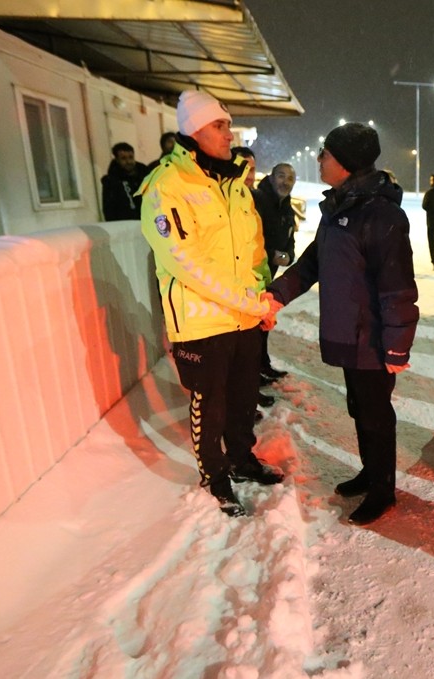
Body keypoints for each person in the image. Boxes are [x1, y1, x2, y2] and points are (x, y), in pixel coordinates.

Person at [136, 91, 284, 517]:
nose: (229, 133)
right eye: (220, 126)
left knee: (242, 398)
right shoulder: (167, 186)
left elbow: (254, 248)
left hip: (243, 316)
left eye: (228, 124)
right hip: (202, 322)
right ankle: (215, 476)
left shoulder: (234, 180)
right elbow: (187, 264)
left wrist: (262, 296)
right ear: (194, 130)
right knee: (210, 402)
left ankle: (241, 458)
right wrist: (248, 302)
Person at [264, 123, 419, 525]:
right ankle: (371, 473)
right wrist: (277, 293)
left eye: (326, 155)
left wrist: (398, 345)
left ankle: (383, 490)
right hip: (349, 333)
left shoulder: (380, 215)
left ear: (346, 164)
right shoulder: (339, 209)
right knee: (359, 408)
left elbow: (398, 286)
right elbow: (315, 261)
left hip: (372, 336)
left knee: (375, 414)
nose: (319, 160)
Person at [229, 146, 282, 408]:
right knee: (239, 352)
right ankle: (244, 403)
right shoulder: (224, 198)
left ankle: (252, 393)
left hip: (257, 280)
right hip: (235, 287)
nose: (248, 174)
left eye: (252, 168)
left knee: (254, 342)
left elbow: (263, 240)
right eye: (243, 167)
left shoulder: (254, 197)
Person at [253, 162, 299, 383]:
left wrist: (289, 255)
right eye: (281, 176)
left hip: (269, 276)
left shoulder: (287, 207)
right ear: (271, 177)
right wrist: (271, 253)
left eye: (290, 179)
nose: (285, 182)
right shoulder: (258, 201)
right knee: (251, 328)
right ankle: (253, 373)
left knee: (264, 323)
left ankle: (263, 365)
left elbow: (290, 239)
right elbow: (250, 238)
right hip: (250, 275)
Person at [100, 142, 149, 221]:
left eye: (131, 157)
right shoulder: (111, 182)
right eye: (123, 158)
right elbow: (109, 209)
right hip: (126, 226)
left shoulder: (144, 175)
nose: (128, 161)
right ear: (116, 160)